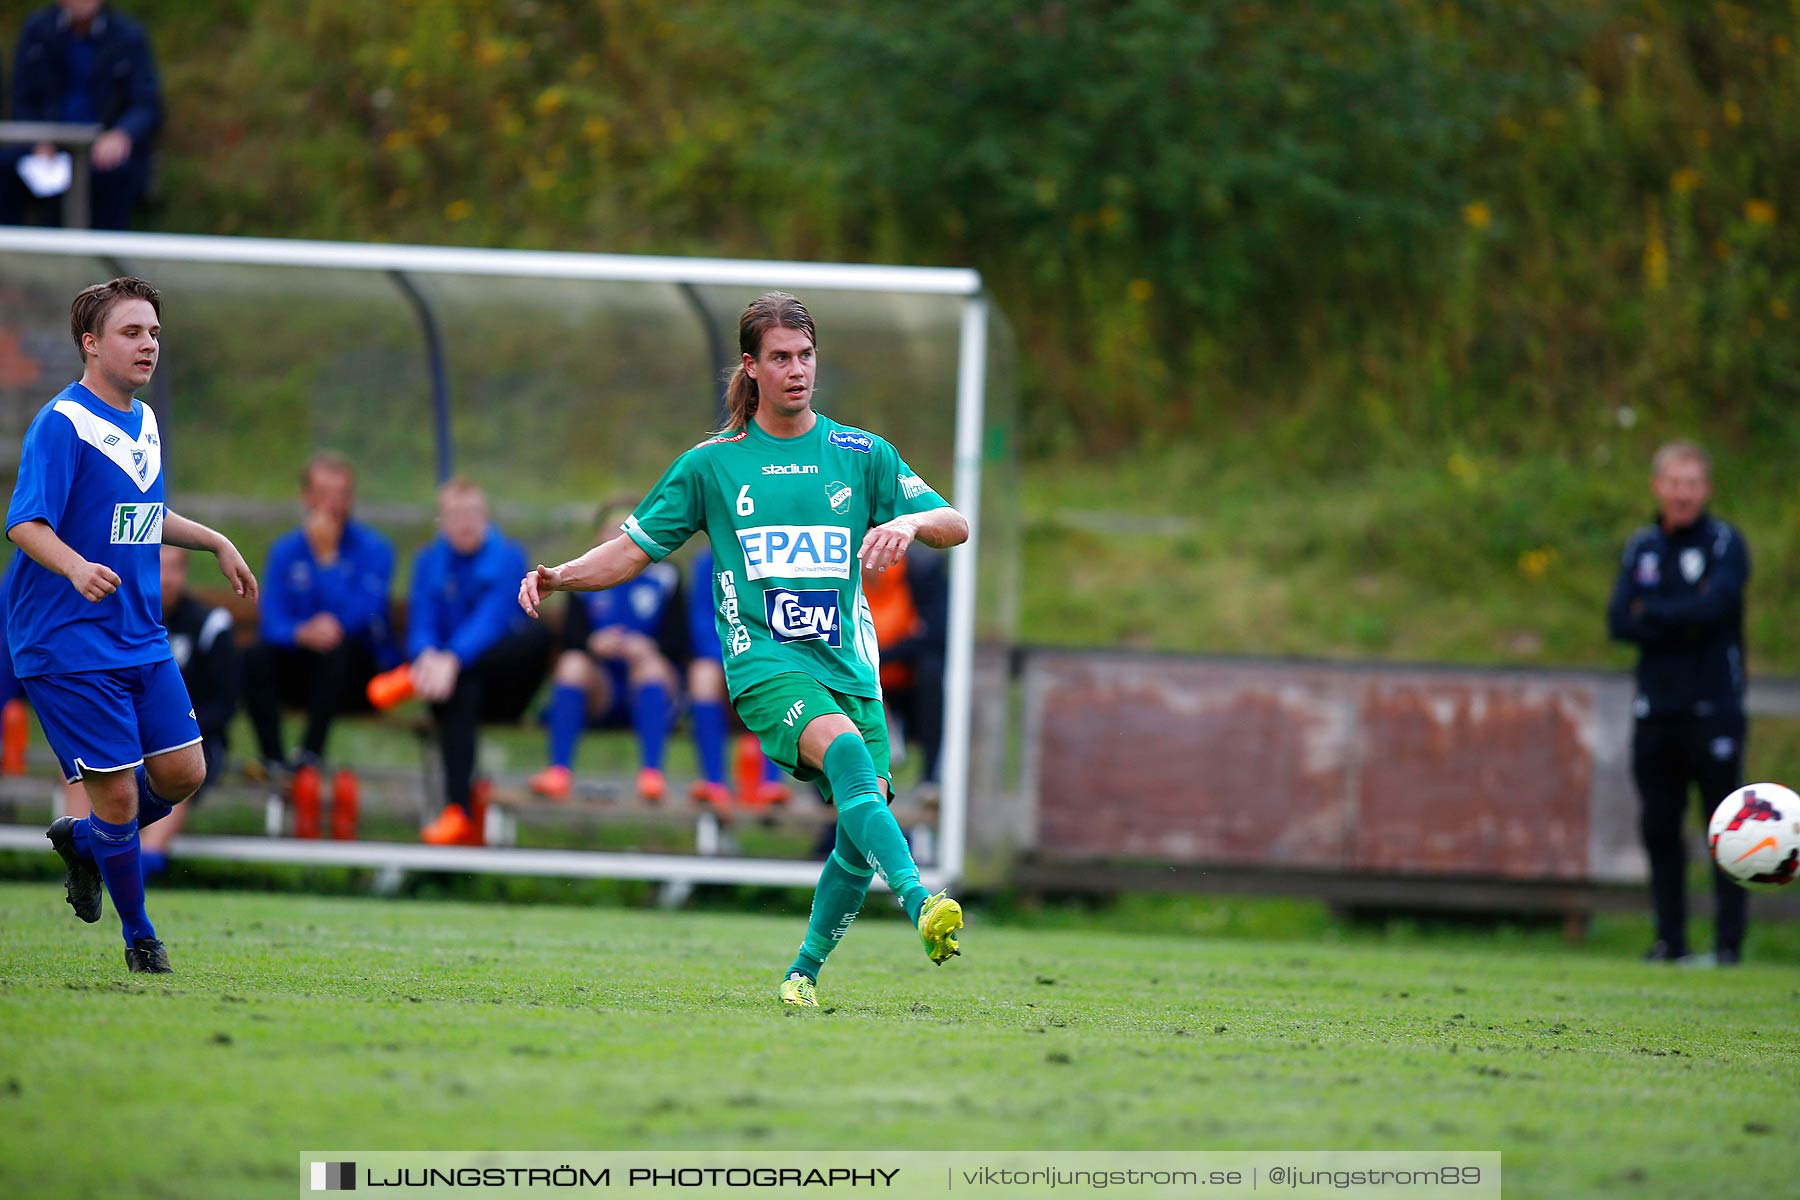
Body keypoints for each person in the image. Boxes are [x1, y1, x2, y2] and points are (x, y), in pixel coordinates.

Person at [519, 291, 969, 1006]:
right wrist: (561, 576)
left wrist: (910, 525)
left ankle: (803, 973)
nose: (797, 370)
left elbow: (955, 521)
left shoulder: (860, 454)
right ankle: (920, 900)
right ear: (751, 368)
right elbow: (633, 550)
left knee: (860, 831)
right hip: (765, 663)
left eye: (806, 356)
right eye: (781, 358)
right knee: (849, 760)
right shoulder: (712, 466)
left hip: (851, 667)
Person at [10, 276, 257, 974]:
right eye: (131, 332)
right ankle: (140, 938)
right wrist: (74, 567)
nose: (147, 344)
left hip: (137, 633)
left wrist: (211, 539)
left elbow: (143, 517)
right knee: (117, 791)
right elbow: (25, 522)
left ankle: (89, 843)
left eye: (152, 332)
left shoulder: (142, 420)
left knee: (183, 771)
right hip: (67, 637)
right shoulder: (62, 423)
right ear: (90, 344)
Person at [1607, 440, 1751, 967]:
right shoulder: (1642, 546)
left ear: (1706, 489)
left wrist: (1657, 615)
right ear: (1658, 486)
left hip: (1714, 709)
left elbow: (1717, 608)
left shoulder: (1724, 543)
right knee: (1660, 827)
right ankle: (1670, 940)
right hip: (1656, 711)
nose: (1683, 492)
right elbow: (1620, 620)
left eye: (1692, 483)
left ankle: (1729, 944)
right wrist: (1680, 616)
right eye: (1674, 482)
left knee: (1729, 830)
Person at [242, 452, 395, 784]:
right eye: (323, 494)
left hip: (355, 678)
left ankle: (309, 758)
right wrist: (301, 633)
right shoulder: (285, 551)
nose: (332, 505)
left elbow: (363, 616)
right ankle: (273, 760)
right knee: (254, 656)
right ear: (306, 497)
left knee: (336, 649)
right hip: (300, 669)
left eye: (341, 494)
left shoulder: (375, 550)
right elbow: (272, 622)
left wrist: (327, 560)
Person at [413, 478, 550, 846]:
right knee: (461, 690)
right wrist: (427, 654)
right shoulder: (428, 562)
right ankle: (458, 815)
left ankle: (457, 811)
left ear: (486, 517)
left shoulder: (508, 557)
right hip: (451, 686)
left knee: (535, 638)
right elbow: (421, 624)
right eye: (456, 515)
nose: (465, 522)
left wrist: (453, 658)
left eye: (473, 513)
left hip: (504, 688)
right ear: (441, 521)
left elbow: (491, 620)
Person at [528, 499, 685, 804]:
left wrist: (648, 647)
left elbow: (679, 641)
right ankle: (558, 772)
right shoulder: (582, 576)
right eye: (611, 529)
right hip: (602, 690)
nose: (619, 537)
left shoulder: (667, 576)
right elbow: (572, 638)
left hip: (650, 689)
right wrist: (593, 643)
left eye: (627, 529)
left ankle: (652, 775)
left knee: (651, 665)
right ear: (597, 537)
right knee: (572, 663)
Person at [2, 1, 163, 230]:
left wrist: (121, 134)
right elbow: (21, 98)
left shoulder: (127, 35)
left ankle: (103, 259)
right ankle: (13, 258)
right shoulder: (38, 30)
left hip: (101, 147)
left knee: (115, 176)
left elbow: (146, 103)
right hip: (47, 146)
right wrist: (37, 141)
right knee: (7, 168)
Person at [133, 542, 238, 876]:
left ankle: (143, 864)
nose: (167, 577)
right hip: (130, 739)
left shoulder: (210, 625)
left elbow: (226, 704)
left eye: (175, 567)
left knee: (176, 761)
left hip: (199, 741)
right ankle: (90, 858)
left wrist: (174, 733)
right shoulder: (124, 623)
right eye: (158, 567)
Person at [864, 545, 948, 800]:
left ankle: (931, 778)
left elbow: (935, 636)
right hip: (860, 680)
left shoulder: (922, 570)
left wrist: (879, 657)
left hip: (905, 686)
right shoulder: (837, 573)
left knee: (931, 671)